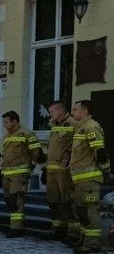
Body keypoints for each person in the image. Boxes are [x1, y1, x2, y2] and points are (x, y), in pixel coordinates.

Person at [69, 100, 112, 254]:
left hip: (90, 179)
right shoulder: (79, 128)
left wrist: (108, 171)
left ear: (85, 111)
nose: (72, 112)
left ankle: (93, 244)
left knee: (90, 212)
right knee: (81, 211)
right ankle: (84, 239)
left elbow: (99, 153)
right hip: (79, 179)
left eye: (75, 109)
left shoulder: (91, 127)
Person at [0, 110, 44, 238]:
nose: (4, 125)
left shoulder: (27, 134)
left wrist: (32, 165)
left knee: (17, 199)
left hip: (20, 174)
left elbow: (36, 152)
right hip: (7, 173)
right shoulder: (7, 137)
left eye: (6, 122)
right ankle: (14, 224)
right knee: (8, 199)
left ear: (15, 121)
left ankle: (16, 228)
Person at [44, 101, 76, 242]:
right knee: (53, 202)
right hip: (51, 170)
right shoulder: (54, 126)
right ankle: (58, 229)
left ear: (61, 111)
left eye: (52, 112)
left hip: (64, 171)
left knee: (67, 202)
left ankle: (72, 233)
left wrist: (68, 160)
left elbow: (76, 147)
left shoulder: (73, 124)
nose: (50, 115)